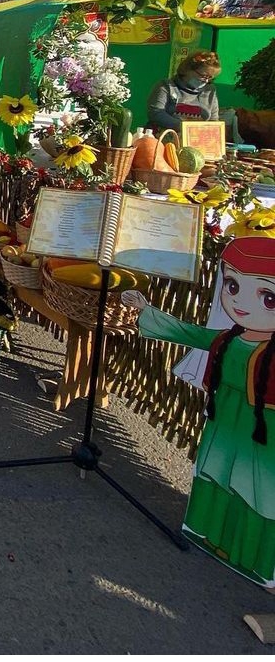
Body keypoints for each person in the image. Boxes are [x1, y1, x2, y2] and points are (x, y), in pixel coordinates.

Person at [122, 236, 275, 588]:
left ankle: (254, 559)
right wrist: (147, 310)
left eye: (267, 297)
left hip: (264, 431)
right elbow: (189, 333)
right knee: (216, 472)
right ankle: (209, 534)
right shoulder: (228, 339)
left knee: (257, 489)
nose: (241, 302)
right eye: (233, 286)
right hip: (223, 420)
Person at [147, 51, 222, 133]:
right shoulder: (166, 86)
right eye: (203, 76)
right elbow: (156, 113)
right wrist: (185, 128)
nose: (206, 81)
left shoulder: (210, 90)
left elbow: (213, 120)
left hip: (196, 138)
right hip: (163, 136)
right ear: (187, 69)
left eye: (210, 77)